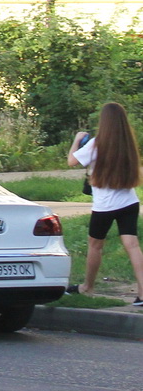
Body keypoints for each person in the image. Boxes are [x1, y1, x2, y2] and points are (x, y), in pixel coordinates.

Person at [67, 102, 143, 304]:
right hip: (129, 202)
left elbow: (72, 161)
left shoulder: (97, 143)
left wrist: (76, 140)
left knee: (95, 245)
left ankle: (87, 287)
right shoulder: (127, 143)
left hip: (104, 206)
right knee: (132, 245)